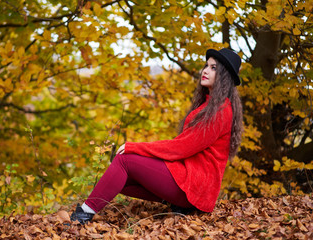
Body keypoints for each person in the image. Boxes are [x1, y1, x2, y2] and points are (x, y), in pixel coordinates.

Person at [70, 48, 243, 224]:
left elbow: (181, 148)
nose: (205, 70)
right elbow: (183, 146)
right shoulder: (209, 106)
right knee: (120, 177)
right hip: (188, 181)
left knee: (125, 161)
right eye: (206, 66)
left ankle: (82, 216)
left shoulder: (220, 111)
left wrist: (135, 147)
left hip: (194, 188)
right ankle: (176, 204)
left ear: (224, 76)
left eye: (213, 68)